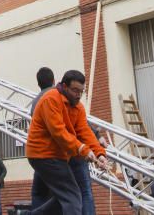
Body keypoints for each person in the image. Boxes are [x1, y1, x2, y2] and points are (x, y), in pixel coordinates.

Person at [26, 69, 108, 214]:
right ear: (64, 86)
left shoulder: (78, 107)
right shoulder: (50, 99)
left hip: (59, 156)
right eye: (75, 90)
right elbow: (59, 132)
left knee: (64, 196)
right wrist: (83, 149)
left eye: (81, 91)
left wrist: (99, 153)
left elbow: (85, 131)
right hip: (42, 154)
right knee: (74, 196)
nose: (78, 95)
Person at [30, 67, 56, 209]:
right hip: (54, 156)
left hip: (38, 156)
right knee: (60, 195)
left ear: (38, 84)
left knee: (38, 194)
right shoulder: (58, 96)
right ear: (54, 80)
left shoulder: (34, 103)